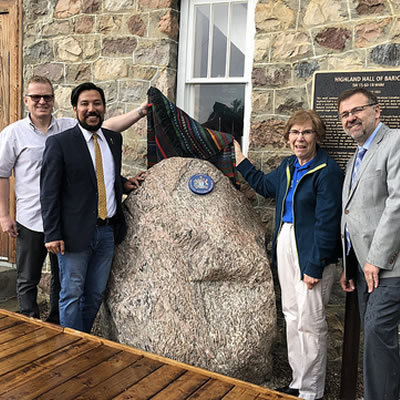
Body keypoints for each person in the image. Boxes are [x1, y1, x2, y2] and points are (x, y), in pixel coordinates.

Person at [0, 76, 146, 324]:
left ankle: (58, 327)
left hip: (71, 221)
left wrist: (140, 112)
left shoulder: (68, 126)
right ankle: (28, 326)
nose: (42, 101)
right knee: (28, 279)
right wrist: (4, 215)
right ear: (26, 100)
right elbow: (2, 174)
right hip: (32, 219)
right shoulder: (14, 134)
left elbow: (98, 152)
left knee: (63, 282)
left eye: (47, 96)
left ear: (55, 101)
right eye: (36, 97)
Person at [234, 110, 343, 400]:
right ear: (288, 137)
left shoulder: (327, 171)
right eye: (295, 132)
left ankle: (311, 391)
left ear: (317, 136)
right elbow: (263, 185)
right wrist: (240, 160)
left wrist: (315, 265)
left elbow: (327, 224)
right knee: (292, 315)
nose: (300, 138)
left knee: (310, 320)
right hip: (286, 240)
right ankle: (298, 382)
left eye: (306, 132)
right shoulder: (287, 166)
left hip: (311, 249)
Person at [40, 82, 141, 333]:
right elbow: (49, 192)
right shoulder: (60, 143)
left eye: (96, 103)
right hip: (73, 235)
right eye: (84, 104)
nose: (91, 109)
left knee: (95, 294)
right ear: (75, 109)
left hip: (107, 232)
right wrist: (52, 234)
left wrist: (123, 184)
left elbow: (103, 174)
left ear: (104, 108)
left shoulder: (113, 139)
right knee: (71, 294)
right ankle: (72, 348)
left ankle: (81, 340)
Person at [339, 88, 400, 400]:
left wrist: (376, 259)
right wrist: (349, 265)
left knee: (377, 334)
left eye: (357, 110)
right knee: (378, 337)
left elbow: (397, 204)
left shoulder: (395, 142)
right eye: (345, 115)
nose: (351, 118)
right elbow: (351, 213)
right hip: (364, 269)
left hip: (389, 266)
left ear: (378, 111)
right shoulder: (355, 158)